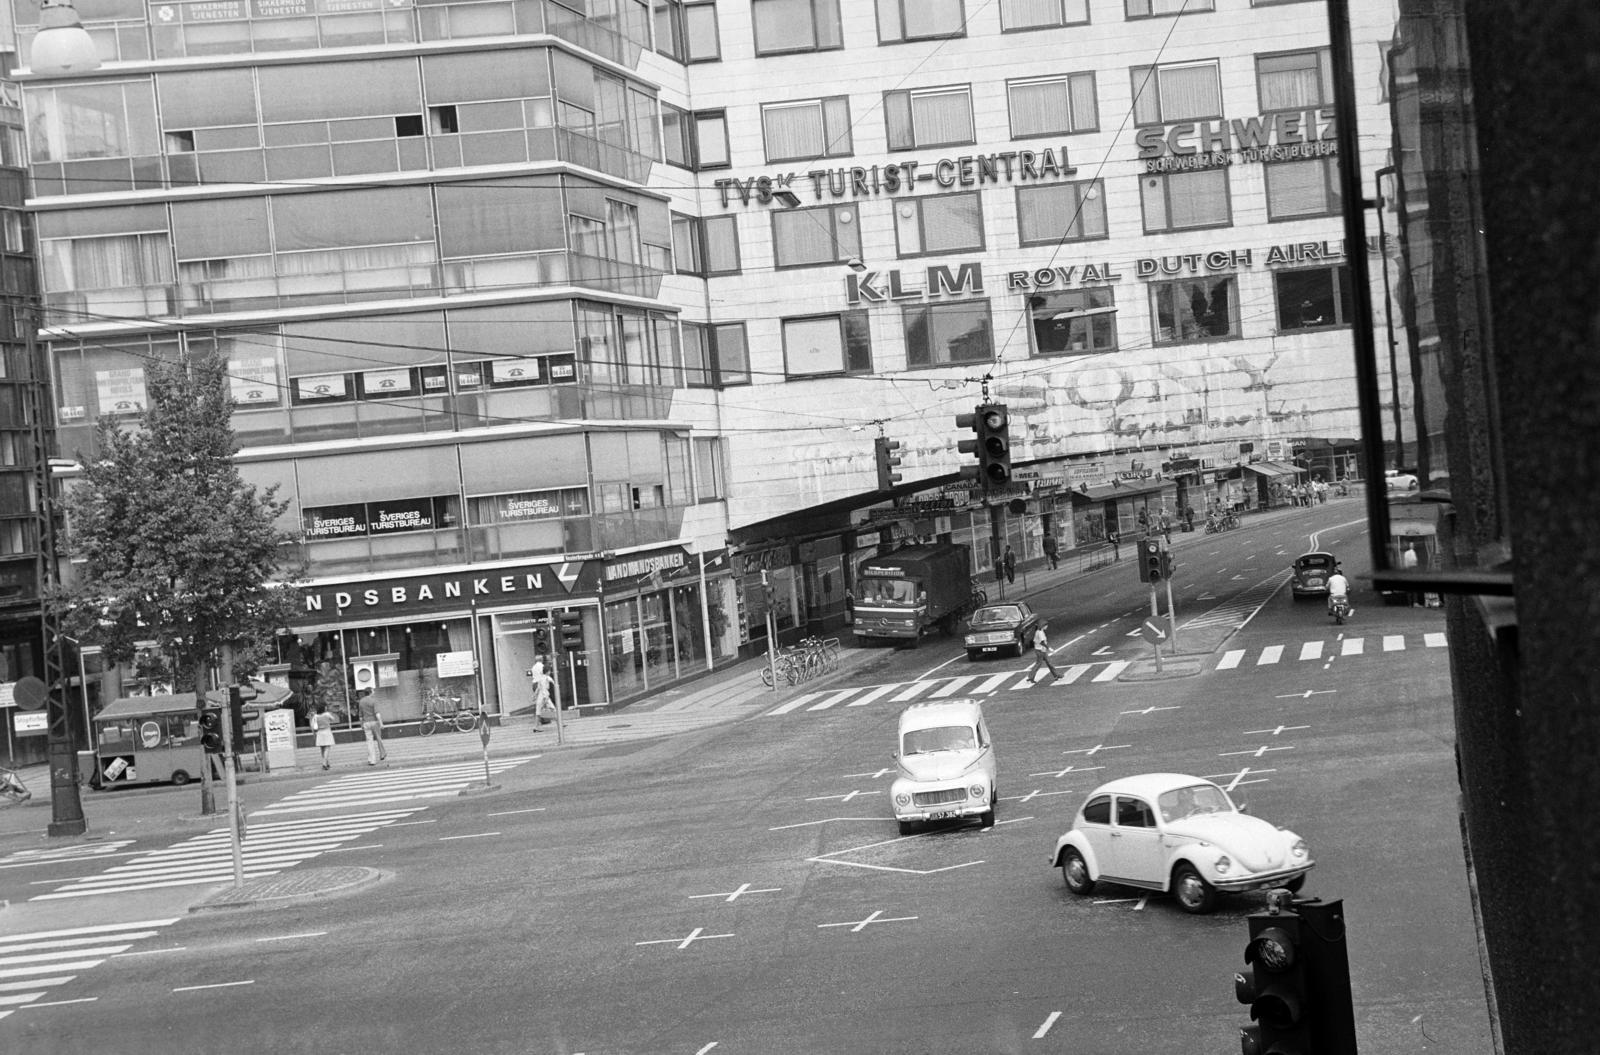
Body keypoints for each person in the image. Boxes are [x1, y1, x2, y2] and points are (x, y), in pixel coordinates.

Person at [358, 689, 386, 766]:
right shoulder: (374, 701)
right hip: (374, 722)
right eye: (373, 691)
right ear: (370, 692)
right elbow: (377, 713)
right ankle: (382, 754)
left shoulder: (361, 701)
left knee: (369, 742)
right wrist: (381, 723)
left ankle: (372, 760)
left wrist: (361, 724)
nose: (374, 692)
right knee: (378, 738)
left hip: (366, 723)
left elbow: (360, 716)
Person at [529, 659, 555, 726]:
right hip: (544, 697)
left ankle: (536, 727)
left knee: (538, 713)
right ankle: (561, 723)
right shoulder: (545, 678)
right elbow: (544, 689)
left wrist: (534, 696)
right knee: (553, 709)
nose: (550, 672)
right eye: (549, 671)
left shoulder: (540, 678)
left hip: (540, 697)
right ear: (547, 672)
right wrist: (546, 698)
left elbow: (538, 688)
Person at [311, 703, 335, 770]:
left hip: (319, 733)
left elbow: (313, 726)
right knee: (327, 747)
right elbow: (333, 719)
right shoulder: (327, 714)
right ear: (324, 708)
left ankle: (327, 763)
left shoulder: (315, 716)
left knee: (322, 748)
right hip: (327, 731)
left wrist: (314, 735)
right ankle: (324, 763)